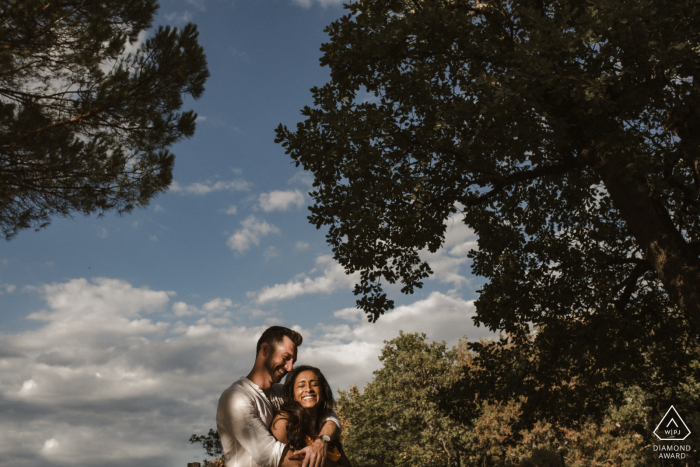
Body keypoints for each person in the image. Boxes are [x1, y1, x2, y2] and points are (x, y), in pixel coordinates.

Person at [216, 326, 342, 467]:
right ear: (265, 350)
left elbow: (327, 414)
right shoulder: (236, 399)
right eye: (286, 358)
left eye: (293, 361)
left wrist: (321, 441)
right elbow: (273, 457)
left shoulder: (282, 393)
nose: (289, 368)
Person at [271, 366, 352, 467]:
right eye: (301, 386)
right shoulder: (284, 422)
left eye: (315, 384)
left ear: (323, 394)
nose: (308, 389)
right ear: (293, 395)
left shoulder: (326, 429)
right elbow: (273, 461)